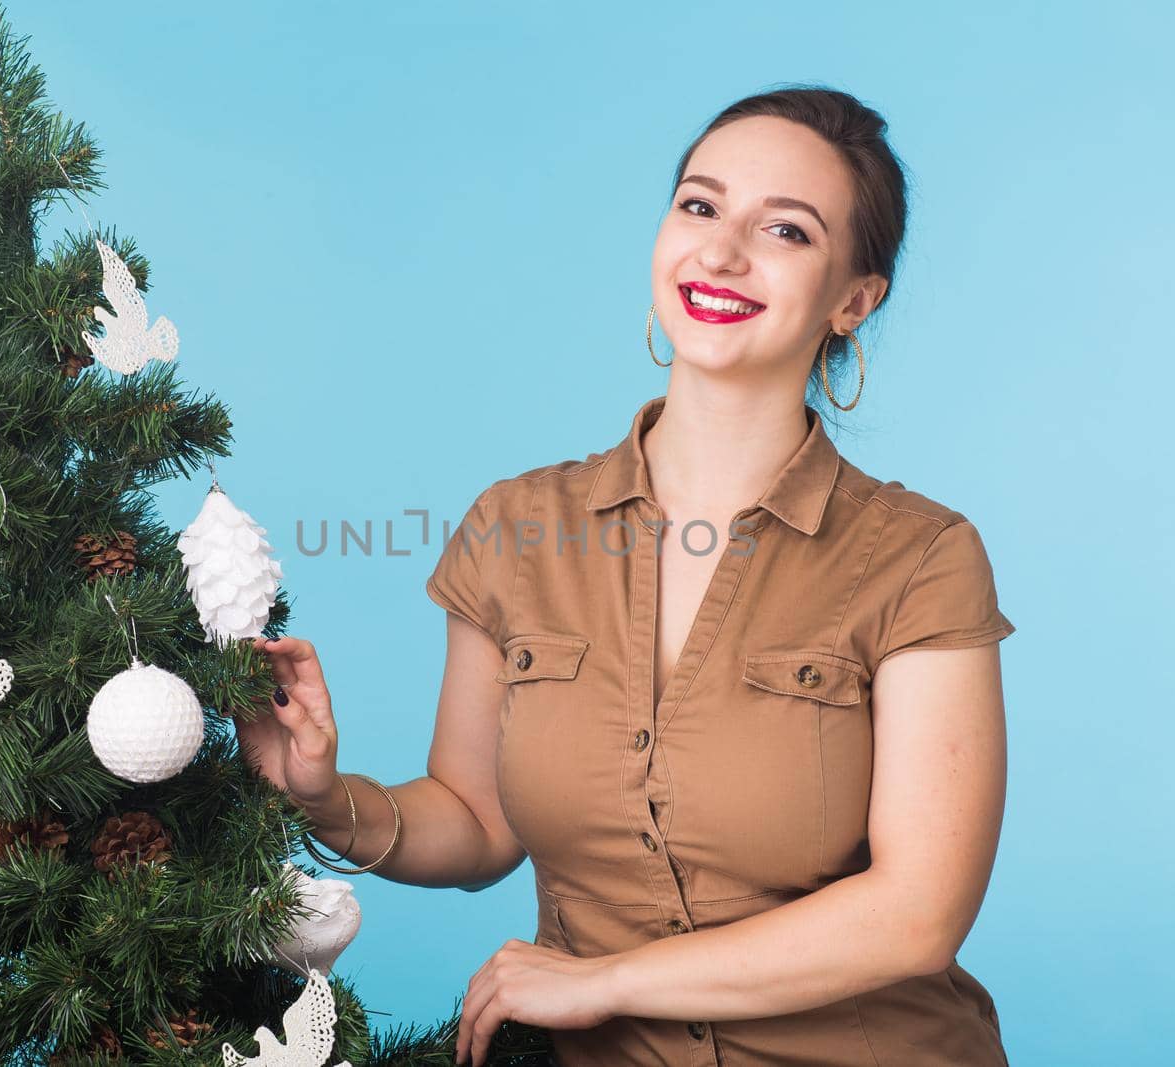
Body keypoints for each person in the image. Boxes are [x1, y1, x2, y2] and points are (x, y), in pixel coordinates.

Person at [238, 84, 1017, 1067]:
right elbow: (476, 820)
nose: (722, 252)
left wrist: (605, 979)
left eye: (783, 230)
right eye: (700, 205)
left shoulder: (919, 556)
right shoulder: (515, 527)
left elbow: (917, 914)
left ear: (853, 300)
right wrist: (319, 793)